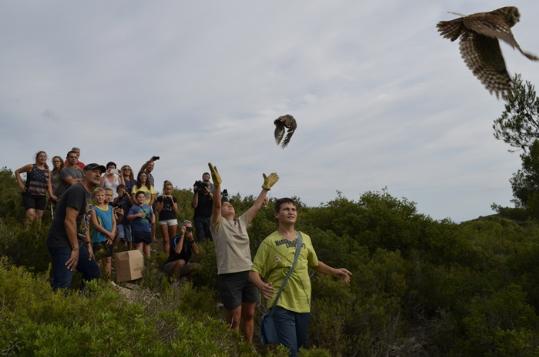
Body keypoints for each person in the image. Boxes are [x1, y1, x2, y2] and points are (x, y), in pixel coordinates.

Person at [250, 198, 353, 356]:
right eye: (286, 209)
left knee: (301, 349)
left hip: (303, 303)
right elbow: (253, 271)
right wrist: (261, 285)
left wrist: (334, 271)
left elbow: (315, 263)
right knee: (291, 351)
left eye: (293, 209)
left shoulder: (305, 238)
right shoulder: (269, 242)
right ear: (277, 215)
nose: (291, 212)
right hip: (281, 303)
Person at [208, 162, 279, 343]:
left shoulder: (241, 222)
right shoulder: (217, 225)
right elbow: (216, 206)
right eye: (226, 205)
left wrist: (265, 188)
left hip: (248, 273)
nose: (228, 205)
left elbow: (256, 206)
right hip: (229, 275)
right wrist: (217, 186)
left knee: (249, 314)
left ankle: (247, 348)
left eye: (231, 204)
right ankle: (231, 349)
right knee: (235, 318)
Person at [46, 163, 105, 290]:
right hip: (61, 242)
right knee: (62, 285)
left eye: (100, 173)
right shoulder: (78, 190)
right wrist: (75, 249)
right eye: (94, 171)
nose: (98, 174)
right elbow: (69, 221)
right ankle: (58, 306)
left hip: (75, 241)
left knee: (93, 273)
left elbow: (84, 221)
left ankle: (81, 304)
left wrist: (88, 244)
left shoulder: (88, 194)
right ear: (84, 173)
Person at [15, 151, 57, 223]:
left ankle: (36, 233)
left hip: (42, 196)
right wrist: (21, 185)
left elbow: (49, 184)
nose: (43, 158)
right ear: (37, 158)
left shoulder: (48, 171)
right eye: (41, 156)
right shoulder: (31, 166)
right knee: (31, 214)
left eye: (44, 156)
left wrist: (51, 195)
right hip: (29, 194)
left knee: (38, 217)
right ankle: (26, 233)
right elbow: (17, 171)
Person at [90, 187, 116, 279]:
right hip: (98, 239)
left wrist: (112, 234)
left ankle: (107, 280)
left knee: (108, 260)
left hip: (109, 239)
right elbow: (96, 225)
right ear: (94, 197)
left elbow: (114, 222)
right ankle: (97, 280)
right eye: (98, 196)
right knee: (98, 260)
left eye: (102, 195)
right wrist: (109, 234)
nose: (100, 197)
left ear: (105, 197)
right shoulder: (94, 209)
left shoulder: (110, 208)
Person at [127, 191, 155, 257]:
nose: (141, 198)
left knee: (147, 246)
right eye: (139, 197)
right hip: (137, 231)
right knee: (139, 247)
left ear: (145, 198)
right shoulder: (133, 207)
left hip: (147, 230)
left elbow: (152, 214)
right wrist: (137, 215)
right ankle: (139, 264)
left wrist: (153, 219)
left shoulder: (148, 207)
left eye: (143, 197)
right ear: (136, 198)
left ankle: (148, 263)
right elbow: (128, 217)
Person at [155, 181, 179, 254]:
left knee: (173, 238)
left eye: (170, 189)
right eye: (167, 189)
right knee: (165, 239)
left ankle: (174, 254)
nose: (168, 190)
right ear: (164, 189)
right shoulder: (159, 198)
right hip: (163, 219)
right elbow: (158, 210)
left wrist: (171, 199)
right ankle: (166, 256)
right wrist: (163, 200)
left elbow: (176, 210)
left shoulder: (174, 198)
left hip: (172, 219)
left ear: (172, 190)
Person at [191, 173, 213, 242]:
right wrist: (196, 192)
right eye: (204, 184)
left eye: (207, 184)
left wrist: (209, 192)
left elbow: (217, 202)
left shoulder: (212, 194)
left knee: (211, 237)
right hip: (198, 218)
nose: (205, 186)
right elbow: (194, 205)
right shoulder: (199, 194)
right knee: (201, 237)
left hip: (209, 218)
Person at [113, 184, 132, 249]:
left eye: (122, 191)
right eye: (119, 191)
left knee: (129, 237)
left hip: (127, 220)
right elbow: (113, 206)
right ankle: (116, 247)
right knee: (120, 235)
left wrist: (127, 195)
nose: (121, 192)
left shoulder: (127, 198)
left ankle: (130, 250)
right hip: (119, 220)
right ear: (117, 191)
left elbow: (132, 204)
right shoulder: (116, 199)